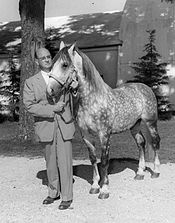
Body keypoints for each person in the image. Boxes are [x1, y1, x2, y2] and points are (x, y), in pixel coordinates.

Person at [23, 47, 75, 210]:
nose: (46, 59)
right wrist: (52, 109)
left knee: (65, 161)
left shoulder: (62, 73)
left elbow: (75, 93)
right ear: (36, 61)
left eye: (48, 56)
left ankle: (67, 196)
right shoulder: (31, 82)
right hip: (46, 125)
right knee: (51, 161)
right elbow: (29, 106)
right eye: (42, 58)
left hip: (64, 123)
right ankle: (53, 192)